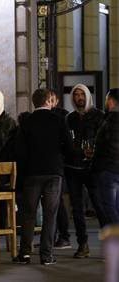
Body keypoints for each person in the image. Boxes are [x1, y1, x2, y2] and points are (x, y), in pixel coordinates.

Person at [13, 88, 67, 265]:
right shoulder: (58, 120)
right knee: (50, 214)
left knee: (28, 213)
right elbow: (68, 145)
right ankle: (46, 254)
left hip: (32, 173)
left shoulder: (27, 122)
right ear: (47, 101)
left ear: (34, 102)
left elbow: (19, 151)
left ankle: (25, 253)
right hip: (53, 172)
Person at [64, 83, 107, 258]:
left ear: (87, 96)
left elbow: (104, 141)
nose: (79, 98)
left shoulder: (99, 116)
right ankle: (83, 244)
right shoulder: (69, 118)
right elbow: (66, 140)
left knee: (100, 206)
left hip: (92, 168)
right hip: (73, 168)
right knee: (76, 207)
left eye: (82, 94)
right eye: (76, 95)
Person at [48, 90, 72, 250]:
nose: (49, 103)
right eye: (47, 100)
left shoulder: (63, 116)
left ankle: (64, 236)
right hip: (51, 164)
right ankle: (51, 236)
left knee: (59, 203)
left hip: (59, 165)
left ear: (56, 101)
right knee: (51, 203)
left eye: (51, 100)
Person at [93, 89, 119, 225]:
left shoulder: (112, 120)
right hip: (113, 168)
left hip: (109, 169)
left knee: (109, 208)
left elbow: (111, 144)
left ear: (110, 101)